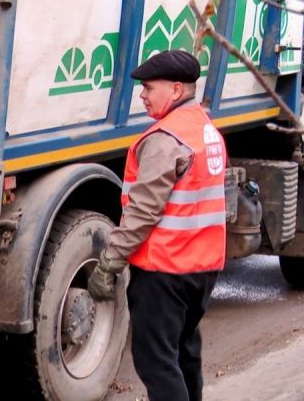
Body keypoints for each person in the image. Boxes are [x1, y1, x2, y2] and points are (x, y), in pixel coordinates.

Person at [87, 50, 227, 401]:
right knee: (184, 353)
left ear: (176, 90)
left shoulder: (165, 139)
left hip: (165, 269)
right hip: (202, 268)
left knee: (157, 362)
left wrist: (110, 262)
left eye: (149, 87)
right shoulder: (206, 130)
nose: (142, 95)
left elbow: (143, 212)